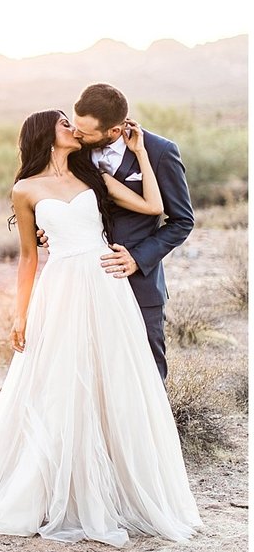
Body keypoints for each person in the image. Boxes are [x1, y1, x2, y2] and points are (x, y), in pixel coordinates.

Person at [0, 109, 200, 547]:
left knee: (113, 379)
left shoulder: (91, 175)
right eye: (64, 124)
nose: (73, 129)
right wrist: (21, 314)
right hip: (60, 290)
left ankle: (117, 483)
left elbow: (153, 207)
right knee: (60, 384)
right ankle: (61, 487)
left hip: (106, 286)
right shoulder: (25, 190)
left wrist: (140, 154)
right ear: (45, 135)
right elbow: (28, 257)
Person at [69, 83, 194, 380]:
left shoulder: (160, 151)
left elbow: (182, 221)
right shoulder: (74, 152)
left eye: (84, 132)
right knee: (94, 371)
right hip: (86, 279)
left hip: (139, 283)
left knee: (146, 371)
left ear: (113, 131)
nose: (76, 135)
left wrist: (137, 258)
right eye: (75, 126)